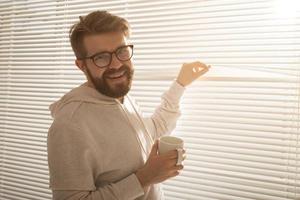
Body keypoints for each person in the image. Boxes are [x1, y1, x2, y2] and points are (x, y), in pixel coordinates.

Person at [47, 10, 210, 200]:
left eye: (122, 51)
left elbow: (153, 131)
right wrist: (145, 178)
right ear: (81, 66)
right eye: (101, 57)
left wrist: (180, 84)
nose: (116, 64)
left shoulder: (120, 98)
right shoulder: (69, 125)